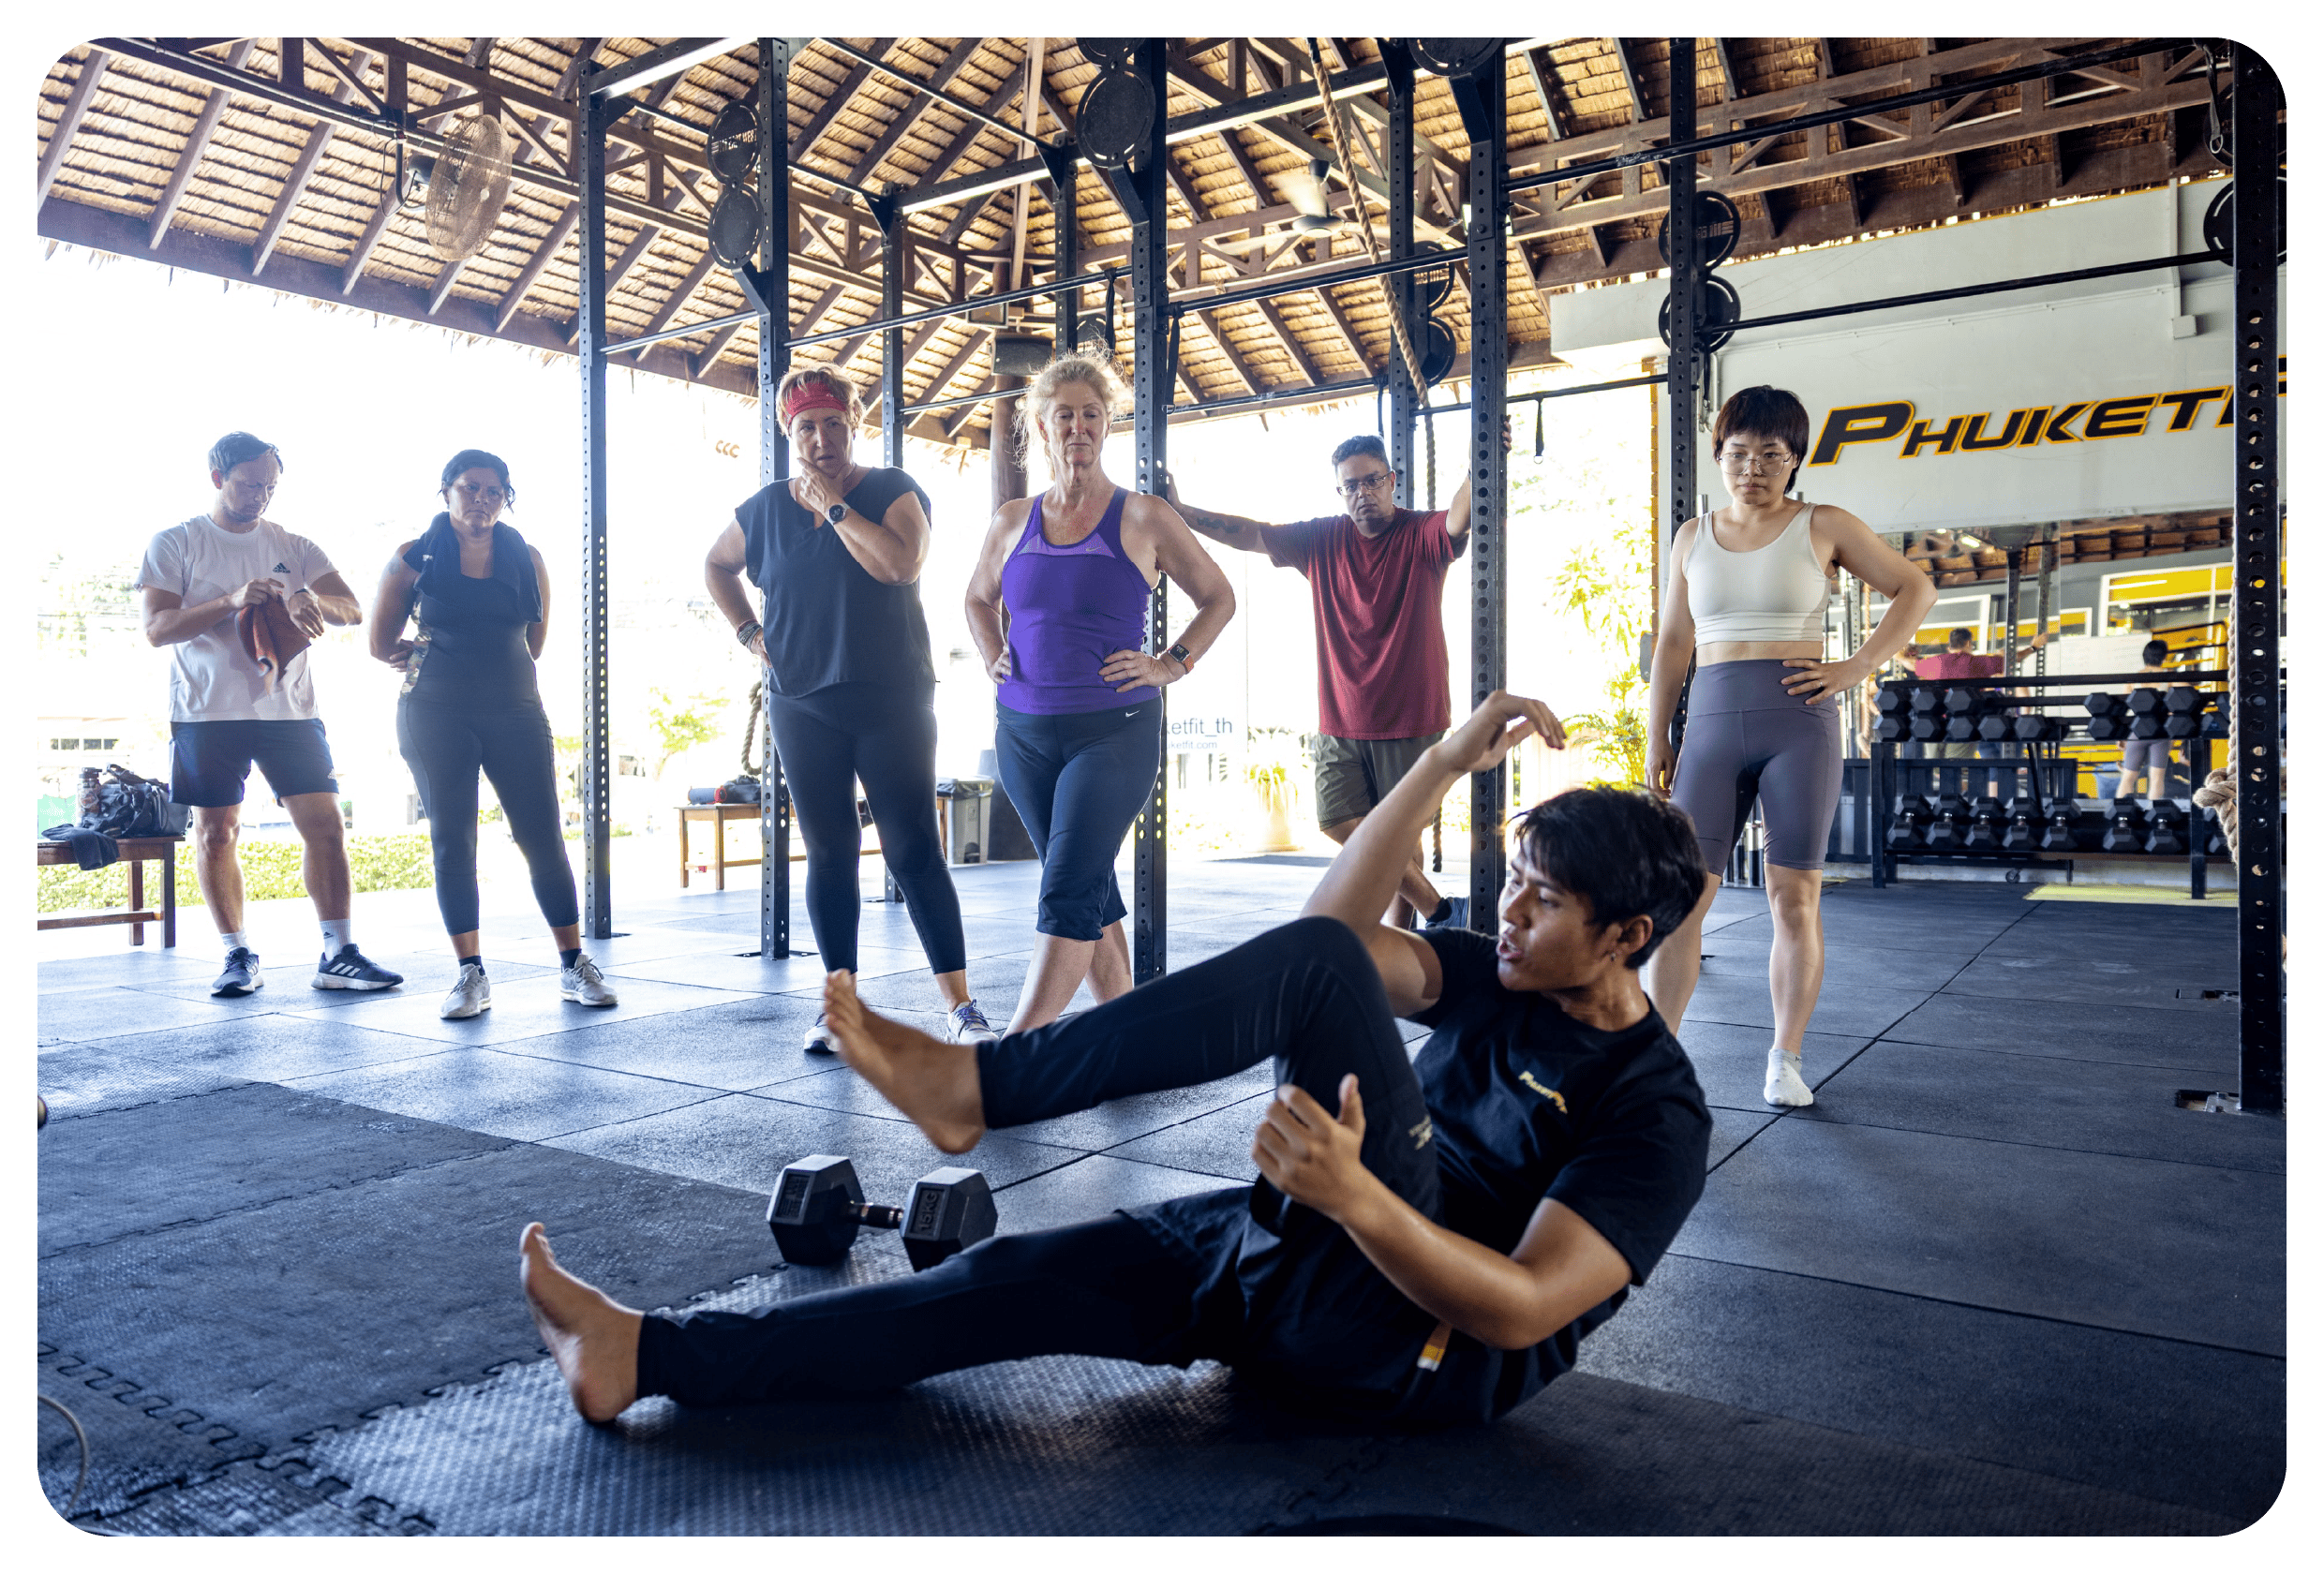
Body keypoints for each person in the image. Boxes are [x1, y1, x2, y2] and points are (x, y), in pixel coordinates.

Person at [518, 691, 1717, 1434]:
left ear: (1624, 937)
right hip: (1301, 1253)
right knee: (999, 1282)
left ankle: (975, 1090)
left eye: (1541, 901)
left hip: (1411, 1347)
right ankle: (644, 1356)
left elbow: (1516, 1314)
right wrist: (1438, 765)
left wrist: (1352, 1193)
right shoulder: (1498, 971)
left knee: (1307, 975)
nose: (1505, 915)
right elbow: (1336, 945)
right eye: (1507, 883)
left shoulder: (1653, 1112)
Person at [1642, 386, 1937, 1108]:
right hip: (1708, 726)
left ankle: (1784, 1058)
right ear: (1720, 457)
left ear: (1794, 460)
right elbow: (1675, 644)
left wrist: (1854, 667)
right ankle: (1654, 1066)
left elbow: (1915, 588)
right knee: (1684, 901)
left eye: (1771, 454)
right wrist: (1658, 733)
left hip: (1797, 725)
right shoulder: (1691, 536)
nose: (1753, 467)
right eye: (1739, 453)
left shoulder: (1824, 524)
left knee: (1793, 897)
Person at [706, 364, 999, 1051]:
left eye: (832, 424)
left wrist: (835, 507)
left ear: (852, 425)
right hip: (801, 702)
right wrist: (749, 632)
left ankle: (959, 1008)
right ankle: (839, 1009)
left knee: (912, 849)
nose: (819, 438)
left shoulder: (894, 490)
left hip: (890, 696)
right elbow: (716, 565)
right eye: (805, 427)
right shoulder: (763, 509)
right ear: (789, 433)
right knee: (830, 852)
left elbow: (900, 565)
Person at [964, 353, 1236, 1032]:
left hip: (1113, 730)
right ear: (1042, 426)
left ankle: (1018, 1054)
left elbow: (1218, 597)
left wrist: (1170, 665)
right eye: (1065, 416)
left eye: (1091, 414)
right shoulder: (1011, 519)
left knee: (1065, 887)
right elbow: (975, 598)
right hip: (1022, 736)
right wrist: (993, 653)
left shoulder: (1143, 516)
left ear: (1107, 425)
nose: (1079, 427)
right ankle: (1127, 1036)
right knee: (1088, 883)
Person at [1169, 430, 1494, 929]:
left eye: (1373, 481)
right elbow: (1250, 533)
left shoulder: (1419, 534)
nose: (1363, 492)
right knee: (1337, 820)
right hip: (1341, 717)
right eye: (1351, 485)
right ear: (1339, 491)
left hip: (1411, 717)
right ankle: (1444, 911)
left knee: (1400, 837)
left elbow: (1457, 518)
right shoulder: (1322, 539)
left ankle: (1397, 945)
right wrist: (1183, 512)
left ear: (1391, 480)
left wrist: (1478, 468)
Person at [136, 432, 405, 999]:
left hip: (290, 711)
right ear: (217, 478)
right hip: (206, 713)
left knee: (327, 826)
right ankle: (237, 955)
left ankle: (338, 953)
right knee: (216, 833)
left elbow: (351, 609)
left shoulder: (295, 545)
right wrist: (229, 601)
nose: (261, 495)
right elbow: (158, 630)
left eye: (270, 486)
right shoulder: (177, 542)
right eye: (250, 483)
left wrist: (311, 601)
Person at [370, 451, 615, 1019]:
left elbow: (535, 641)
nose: (480, 500)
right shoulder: (413, 555)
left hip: (515, 710)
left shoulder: (527, 557)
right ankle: (470, 974)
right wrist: (420, 653)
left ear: (506, 497)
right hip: (434, 713)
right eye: (469, 488)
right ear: (446, 491)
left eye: (493, 491)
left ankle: (574, 963)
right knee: (454, 843)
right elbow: (380, 643)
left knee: (544, 839)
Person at [1913, 626, 2048, 797]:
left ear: (1950, 645)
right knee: (1954, 766)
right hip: (1963, 725)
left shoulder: (1935, 662)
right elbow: (2012, 660)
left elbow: (1912, 665)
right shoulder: (1977, 663)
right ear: (1969, 643)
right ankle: (1964, 803)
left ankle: (1960, 800)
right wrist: (2033, 648)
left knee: (1941, 767)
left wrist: (1899, 655)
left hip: (1934, 723)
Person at [2115, 638, 2176, 801]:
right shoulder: (2169, 678)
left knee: (2128, 777)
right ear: (2164, 656)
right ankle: (2155, 817)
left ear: (2145, 656)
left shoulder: (2134, 679)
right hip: (2161, 732)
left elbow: (2124, 709)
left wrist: (2122, 735)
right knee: (2156, 778)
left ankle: (2121, 815)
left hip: (2138, 731)